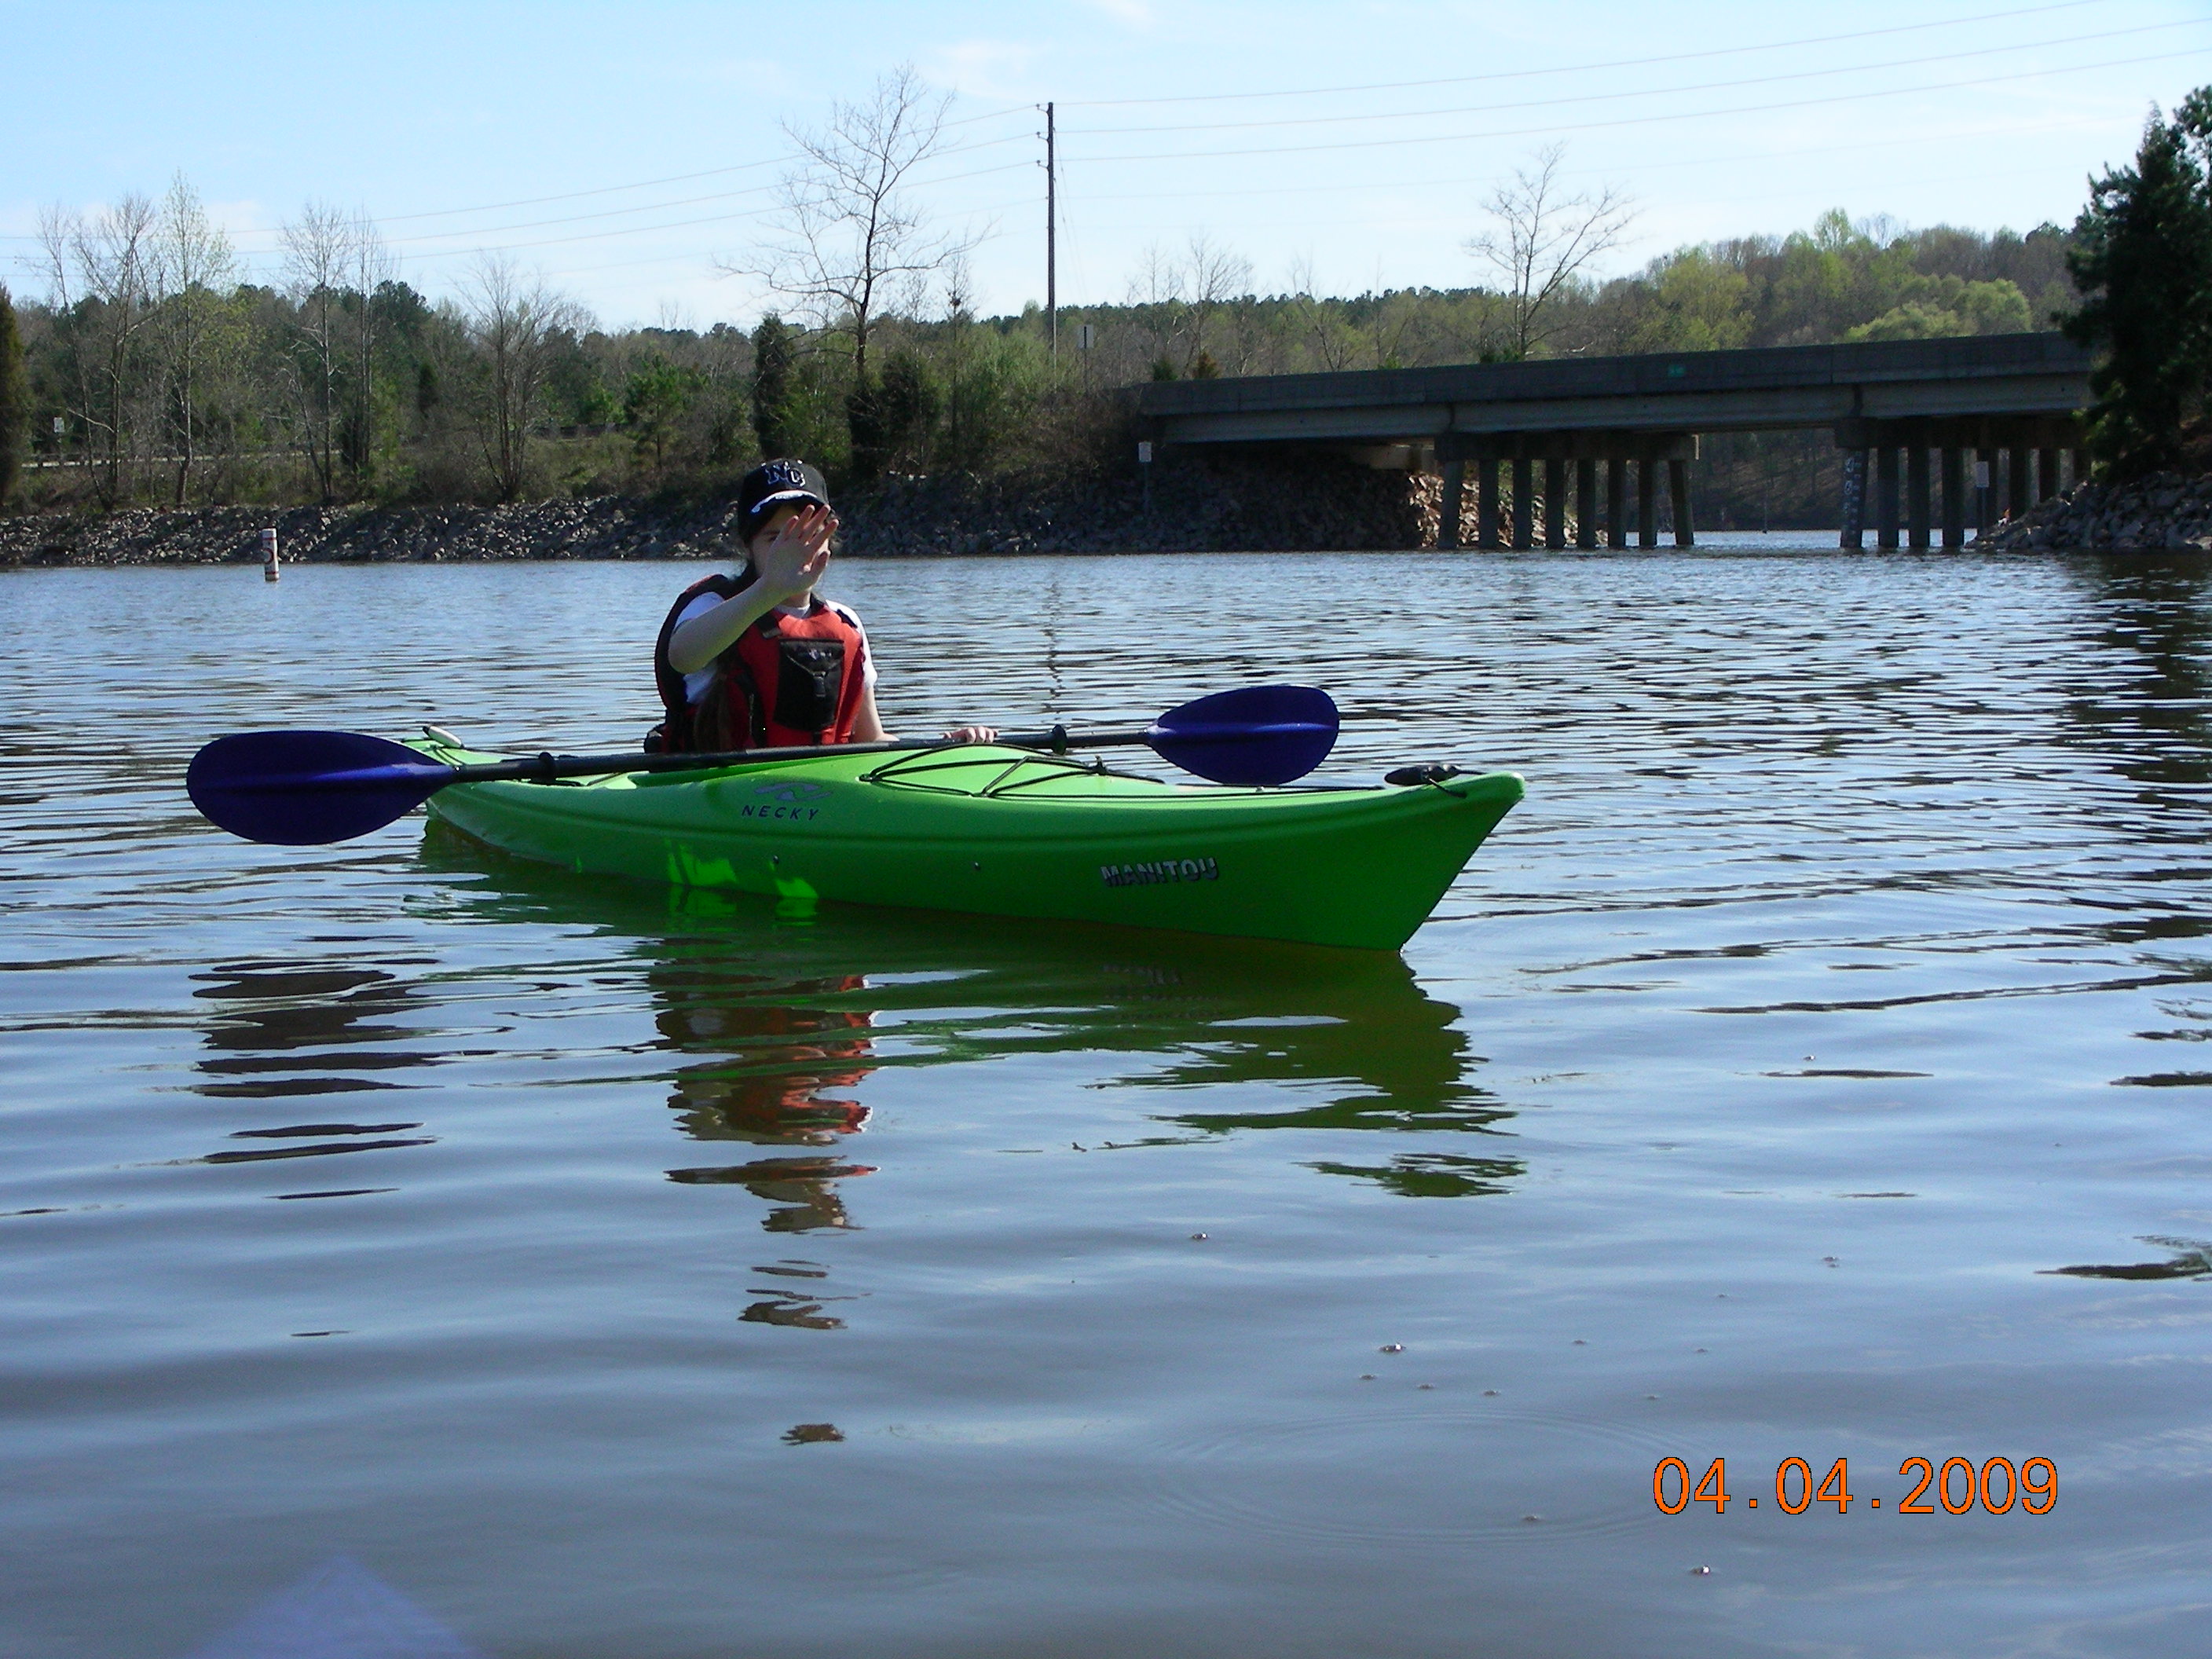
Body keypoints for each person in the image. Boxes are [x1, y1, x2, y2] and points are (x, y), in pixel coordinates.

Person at [652, 459, 994, 753]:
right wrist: (770, 588)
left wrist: (941, 748)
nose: (796, 550)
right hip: (720, 792)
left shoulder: (845, 622)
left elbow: (871, 739)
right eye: (777, 539)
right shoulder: (712, 606)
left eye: (810, 534)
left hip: (820, 795)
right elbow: (682, 657)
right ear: (747, 545)